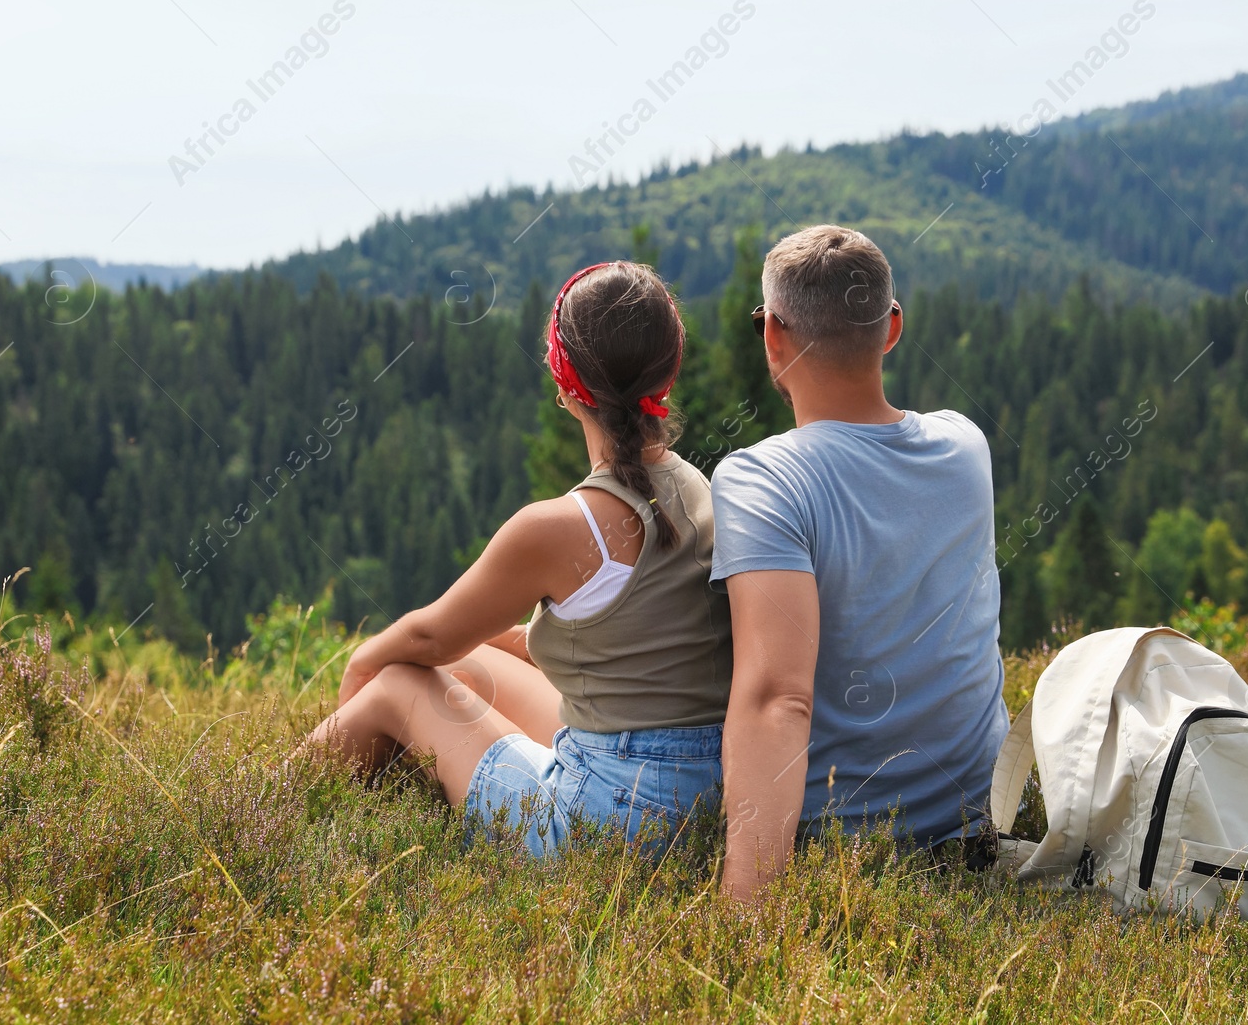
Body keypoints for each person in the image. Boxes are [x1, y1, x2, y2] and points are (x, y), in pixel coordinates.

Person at [303, 261, 732, 856]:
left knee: (398, 683)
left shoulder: (558, 527)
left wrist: (361, 661)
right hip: (705, 804)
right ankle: (380, 793)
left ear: (563, 379)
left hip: (607, 830)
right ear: (669, 368)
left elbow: (428, 638)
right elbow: (612, 640)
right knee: (470, 664)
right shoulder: (697, 488)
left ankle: (262, 814)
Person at [710, 225, 1008, 899]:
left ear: (773, 337)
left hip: (845, 838)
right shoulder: (966, 445)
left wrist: (744, 915)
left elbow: (776, 698)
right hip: (979, 816)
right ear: (892, 327)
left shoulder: (763, 481)